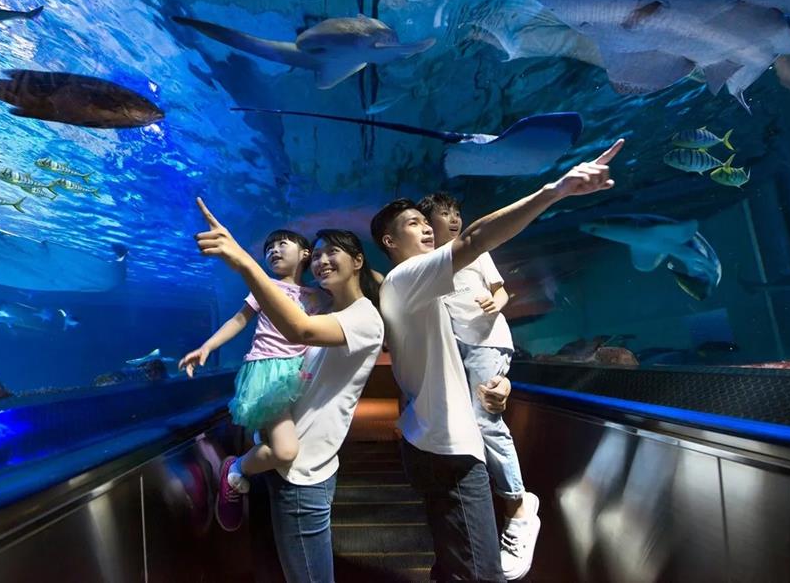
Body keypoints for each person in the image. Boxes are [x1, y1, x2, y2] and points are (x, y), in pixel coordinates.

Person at [372, 140, 624, 581]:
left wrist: (501, 380)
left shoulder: (424, 287)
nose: (428, 228)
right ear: (390, 241)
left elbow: (456, 351)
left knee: (454, 564)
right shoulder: (407, 277)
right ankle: (520, 503)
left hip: (429, 441)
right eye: (414, 223)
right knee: (479, 572)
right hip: (448, 449)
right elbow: (475, 238)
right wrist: (555, 190)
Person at [193, 198, 384, 583]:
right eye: (320, 254)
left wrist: (245, 262)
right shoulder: (330, 307)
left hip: (306, 472)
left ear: (358, 260)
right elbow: (246, 319)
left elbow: (301, 330)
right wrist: (209, 345)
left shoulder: (353, 315)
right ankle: (239, 469)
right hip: (283, 427)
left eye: (334, 252)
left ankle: (236, 468)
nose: (322, 260)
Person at [417, 191, 539, 580]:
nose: (453, 220)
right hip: (458, 345)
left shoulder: (472, 249)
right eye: (443, 214)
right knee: (467, 424)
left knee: (485, 421)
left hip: (487, 339)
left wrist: (496, 302)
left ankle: (518, 507)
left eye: (456, 213)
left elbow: (501, 289)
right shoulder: (428, 262)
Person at [180, 229, 326, 532]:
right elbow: (239, 320)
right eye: (269, 246)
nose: (273, 249)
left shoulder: (317, 295)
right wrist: (207, 346)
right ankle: (234, 470)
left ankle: (257, 450)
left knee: (291, 443)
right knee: (286, 450)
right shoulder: (265, 286)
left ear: (305, 254)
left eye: (282, 244)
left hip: (300, 372)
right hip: (268, 373)